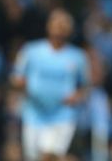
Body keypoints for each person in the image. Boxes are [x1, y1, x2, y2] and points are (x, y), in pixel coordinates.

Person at [12, 8, 90, 161]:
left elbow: (85, 86)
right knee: (33, 156)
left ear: (70, 30)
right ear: (48, 26)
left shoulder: (78, 57)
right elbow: (17, 77)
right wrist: (21, 85)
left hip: (62, 114)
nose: (60, 27)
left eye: (64, 24)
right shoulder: (31, 51)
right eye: (57, 23)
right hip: (34, 113)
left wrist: (77, 96)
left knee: (49, 155)